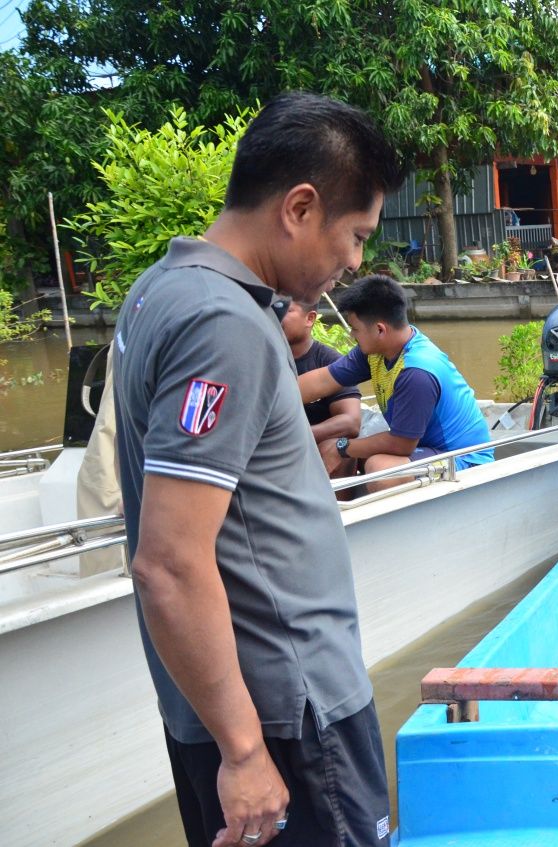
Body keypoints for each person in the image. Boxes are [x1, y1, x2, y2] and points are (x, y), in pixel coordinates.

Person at [112, 92, 403, 847]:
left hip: (231, 711)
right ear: (300, 207)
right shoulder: (224, 324)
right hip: (287, 717)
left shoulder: (155, 293)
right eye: (354, 234)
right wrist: (245, 750)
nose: (354, 262)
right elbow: (168, 562)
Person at [299, 274, 493, 491]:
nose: (352, 335)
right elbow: (322, 380)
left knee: (379, 469)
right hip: (423, 447)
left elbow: (401, 444)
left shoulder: (416, 372)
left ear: (380, 329)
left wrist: (342, 447)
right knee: (346, 449)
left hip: (462, 458)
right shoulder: (376, 351)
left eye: (355, 329)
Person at [279, 299, 362, 465]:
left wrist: (294, 435)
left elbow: (351, 421)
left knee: (338, 447)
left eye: (286, 311)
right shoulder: (261, 357)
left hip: (311, 446)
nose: (276, 316)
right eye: (274, 309)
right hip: (271, 447)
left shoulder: (330, 360)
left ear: (310, 319)